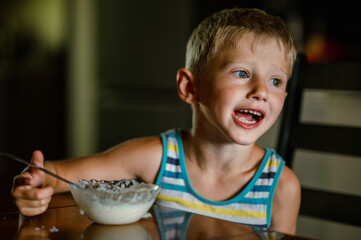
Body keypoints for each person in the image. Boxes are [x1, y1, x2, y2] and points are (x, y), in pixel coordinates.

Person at [12, 8, 300, 235]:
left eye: (276, 80)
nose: (262, 91)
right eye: (241, 73)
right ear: (190, 87)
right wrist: (35, 183)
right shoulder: (157, 158)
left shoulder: (281, 187)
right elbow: (58, 173)